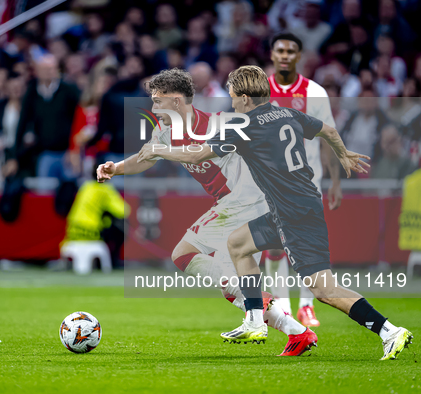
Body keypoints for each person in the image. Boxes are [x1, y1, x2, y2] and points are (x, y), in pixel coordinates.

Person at [182, 65, 411, 360]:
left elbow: (198, 154)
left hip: (295, 215)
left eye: (233, 97)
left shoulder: (245, 125)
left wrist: (157, 152)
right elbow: (327, 130)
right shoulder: (285, 113)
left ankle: (388, 330)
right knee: (238, 243)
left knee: (324, 290)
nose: (232, 102)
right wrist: (342, 153)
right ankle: (255, 321)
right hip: (292, 209)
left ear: (244, 97)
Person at [98, 68, 317, 356]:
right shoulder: (164, 130)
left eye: (157, 101)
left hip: (247, 199)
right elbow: (145, 156)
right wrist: (116, 168)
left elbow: (193, 153)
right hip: (235, 203)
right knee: (231, 288)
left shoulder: (217, 125)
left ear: (176, 101)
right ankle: (297, 332)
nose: (152, 108)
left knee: (183, 254)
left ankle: (258, 302)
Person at [265, 32, 342, 326]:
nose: (285, 55)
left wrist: (335, 181)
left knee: (307, 246)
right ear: (272, 55)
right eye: (280, 50)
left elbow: (328, 137)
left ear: (299, 56)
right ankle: (282, 304)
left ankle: (306, 305)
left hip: (305, 183)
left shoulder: (315, 93)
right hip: (268, 183)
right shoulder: (259, 91)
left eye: (291, 51)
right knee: (273, 246)